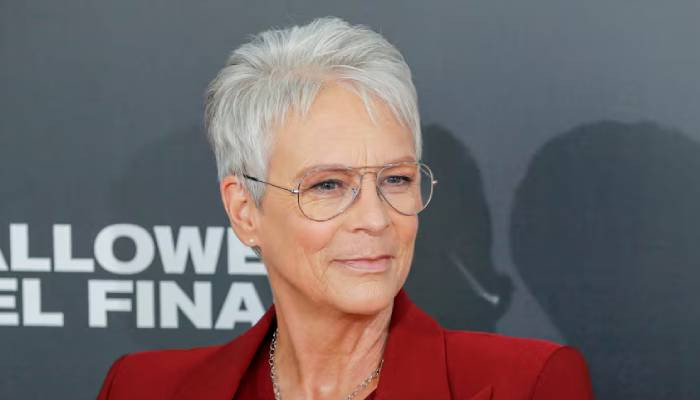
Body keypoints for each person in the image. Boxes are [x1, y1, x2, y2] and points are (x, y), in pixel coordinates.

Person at [97, 17, 593, 400]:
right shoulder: (142, 389)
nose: (375, 220)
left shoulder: (525, 385)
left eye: (396, 179)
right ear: (245, 211)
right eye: (329, 185)